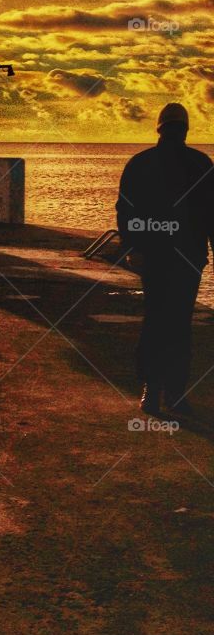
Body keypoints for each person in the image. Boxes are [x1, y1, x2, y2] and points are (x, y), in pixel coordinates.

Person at [116, 103, 214, 418]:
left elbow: (126, 210)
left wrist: (133, 246)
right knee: (179, 323)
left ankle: (152, 390)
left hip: (156, 256)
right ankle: (173, 393)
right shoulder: (201, 164)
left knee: (156, 319)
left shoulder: (140, 163)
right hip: (188, 257)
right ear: (185, 129)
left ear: (159, 128)